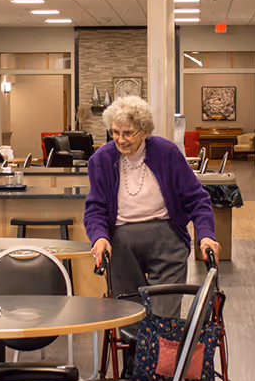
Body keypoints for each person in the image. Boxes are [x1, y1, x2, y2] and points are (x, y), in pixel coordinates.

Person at [84, 96, 221, 317]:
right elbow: (95, 208)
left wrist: (205, 235)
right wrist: (99, 237)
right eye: (116, 132)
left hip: (166, 237)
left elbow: (198, 199)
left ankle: (163, 347)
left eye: (128, 133)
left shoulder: (166, 153)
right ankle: (137, 351)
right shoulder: (101, 159)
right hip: (122, 243)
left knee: (164, 317)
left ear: (145, 131)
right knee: (129, 313)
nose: (120, 139)